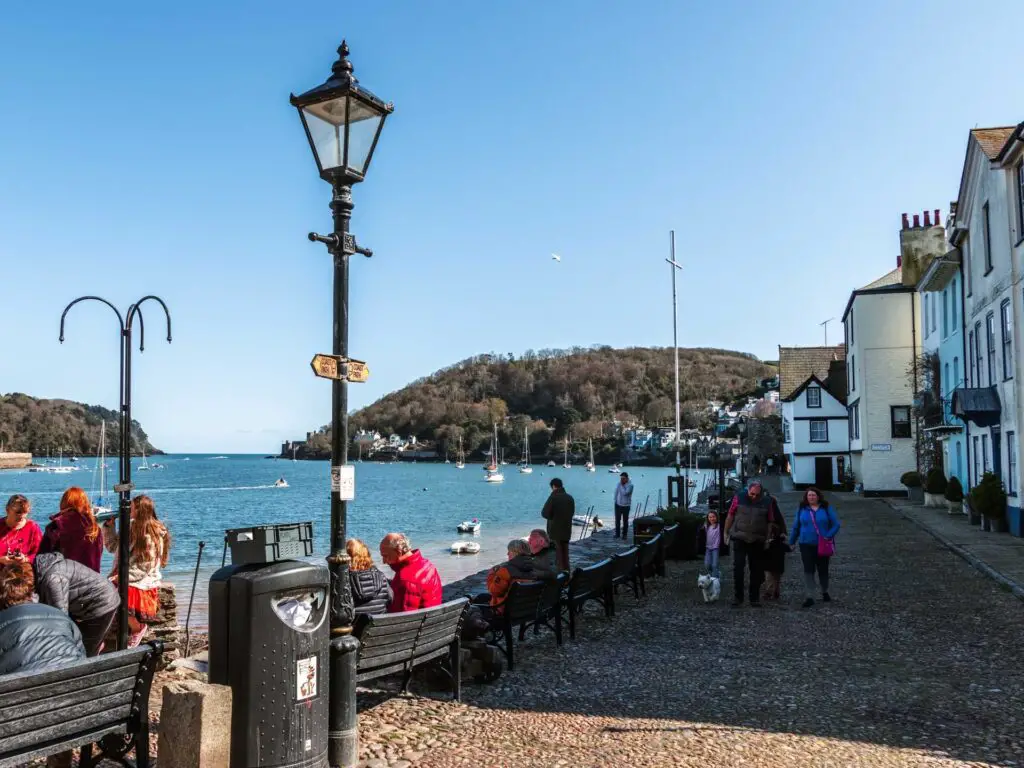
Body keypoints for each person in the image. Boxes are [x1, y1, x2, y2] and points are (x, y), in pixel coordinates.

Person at [102, 495, 171, 647]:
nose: (128, 511)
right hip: (124, 575)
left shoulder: (150, 535)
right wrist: (109, 527)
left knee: (125, 595)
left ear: (139, 510)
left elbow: (145, 566)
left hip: (142, 580)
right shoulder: (132, 528)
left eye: (131, 507)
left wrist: (122, 577)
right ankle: (105, 634)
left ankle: (137, 628)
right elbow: (113, 547)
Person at [0, 559, 85, 675]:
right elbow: (82, 655)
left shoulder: (3, 622)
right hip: (79, 684)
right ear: (31, 594)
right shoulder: (61, 616)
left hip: (27, 689)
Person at [33, 552, 120, 656]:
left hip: (102, 602)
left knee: (86, 651)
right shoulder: (49, 567)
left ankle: (92, 661)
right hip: (89, 601)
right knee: (80, 641)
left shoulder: (53, 579)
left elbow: (61, 618)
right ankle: (96, 645)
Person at [723, 479, 778, 607]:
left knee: (756, 569)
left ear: (761, 493)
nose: (754, 497)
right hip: (739, 537)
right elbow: (730, 515)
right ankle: (738, 597)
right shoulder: (738, 498)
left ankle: (754, 598)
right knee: (738, 567)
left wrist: (768, 538)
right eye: (751, 494)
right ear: (748, 490)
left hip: (757, 539)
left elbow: (770, 521)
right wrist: (726, 532)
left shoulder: (767, 501)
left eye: (756, 495)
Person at [789, 486, 841, 608]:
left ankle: (825, 591)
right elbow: (796, 526)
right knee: (808, 570)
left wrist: (828, 536)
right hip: (805, 544)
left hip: (822, 544)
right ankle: (810, 596)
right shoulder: (802, 509)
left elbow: (836, 524)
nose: (811, 497)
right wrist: (792, 542)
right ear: (806, 497)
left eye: (813, 495)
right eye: (809, 495)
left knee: (823, 569)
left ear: (818, 497)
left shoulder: (826, 508)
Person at [38, 487, 103, 572]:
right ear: (85, 503)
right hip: (92, 581)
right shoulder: (95, 528)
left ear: (63, 503)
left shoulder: (57, 525)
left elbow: (41, 559)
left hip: (64, 581)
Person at [379, 533, 442, 613]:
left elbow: (401, 618)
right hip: (433, 619)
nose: (383, 561)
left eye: (386, 556)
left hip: (419, 624)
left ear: (399, 551)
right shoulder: (428, 565)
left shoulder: (404, 580)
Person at [484, 539, 535, 614]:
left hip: (507, 610)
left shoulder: (506, 570)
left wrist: (491, 574)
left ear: (516, 553)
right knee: (483, 597)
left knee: (478, 600)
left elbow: (494, 592)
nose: (507, 553)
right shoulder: (537, 566)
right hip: (529, 608)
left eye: (509, 551)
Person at [347, 538, 392, 616]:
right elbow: (390, 600)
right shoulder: (381, 577)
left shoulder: (345, 581)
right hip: (380, 625)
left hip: (354, 626)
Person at [541, 478, 574, 572]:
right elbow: (571, 513)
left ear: (553, 486)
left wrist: (553, 516)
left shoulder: (553, 497)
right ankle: (567, 573)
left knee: (558, 556)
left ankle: (561, 577)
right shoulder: (570, 497)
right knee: (565, 555)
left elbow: (544, 513)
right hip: (567, 530)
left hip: (555, 531)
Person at [0, 494, 43, 565]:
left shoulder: (32, 527)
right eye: (18, 512)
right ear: (7, 510)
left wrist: (25, 559)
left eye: (25, 512)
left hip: (24, 573)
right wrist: (1, 560)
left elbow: (40, 553)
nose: (22, 516)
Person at [762, 512, 790, 601]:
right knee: (776, 578)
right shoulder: (781, 543)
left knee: (769, 578)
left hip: (768, 563)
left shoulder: (768, 544)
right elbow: (789, 548)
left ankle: (769, 592)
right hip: (778, 564)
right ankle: (775, 590)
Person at [695, 510, 722, 578]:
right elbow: (700, 531)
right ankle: (716, 573)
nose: (712, 518)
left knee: (714, 565)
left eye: (713, 517)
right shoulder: (706, 526)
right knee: (707, 565)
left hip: (715, 548)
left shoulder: (719, 526)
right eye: (710, 517)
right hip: (708, 548)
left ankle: (714, 580)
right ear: (708, 518)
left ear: (716, 517)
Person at [613, 472, 634, 539]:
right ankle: (617, 534)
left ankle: (624, 535)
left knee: (625, 520)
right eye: (621, 478)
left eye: (623, 478)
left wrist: (621, 485)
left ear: (627, 478)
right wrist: (615, 500)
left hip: (626, 506)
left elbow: (625, 493)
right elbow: (616, 492)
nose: (621, 480)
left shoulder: (630, 485)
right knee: (617, 520)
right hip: (618, 505)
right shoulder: (619, 484)